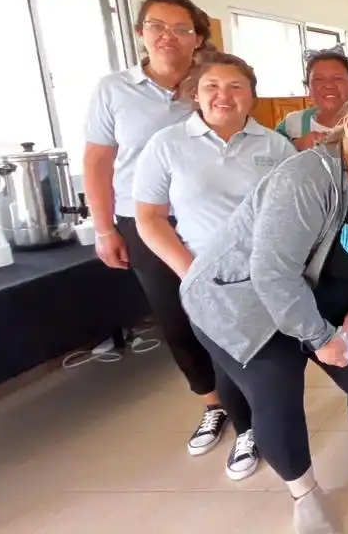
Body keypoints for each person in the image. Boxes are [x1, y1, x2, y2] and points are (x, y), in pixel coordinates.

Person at [180, 85, 348, 533]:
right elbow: (272, 273)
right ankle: (305, 495)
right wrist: (319, 338)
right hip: (243, 303)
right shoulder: (307, 176)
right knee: (277, 394)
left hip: (320, 296)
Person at [133, 51, 296, 480]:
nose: (224, 96)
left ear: (251, 95)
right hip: (199, 274)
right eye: (212, 87)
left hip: (262, 273)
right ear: (196, 93)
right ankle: (245, 430)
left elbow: (290, 212)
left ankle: (262, 427)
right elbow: (149, 217)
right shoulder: (167, 144)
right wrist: (192, 275)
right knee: (224, 358)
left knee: (261, 359)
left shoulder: (275, 146)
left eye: (236, 86)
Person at [82, 0, 230, 456]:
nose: (168, 36)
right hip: (146, 223)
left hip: (210, 218)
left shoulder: (211, 86)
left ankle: (246, 395)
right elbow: (98, 160)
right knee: (174, 316)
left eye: (182, 28)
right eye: (156, 26)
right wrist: (105, 228)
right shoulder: (113, 89)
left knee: (228, 310)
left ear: (199, 37)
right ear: (140, 33)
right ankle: (212, 402)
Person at [276, 45, 348, 151]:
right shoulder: (293, 123)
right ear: (308, 88)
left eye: (338, 78)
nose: (328, 85)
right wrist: (295, 146)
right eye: (318, 79)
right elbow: (271, 155)